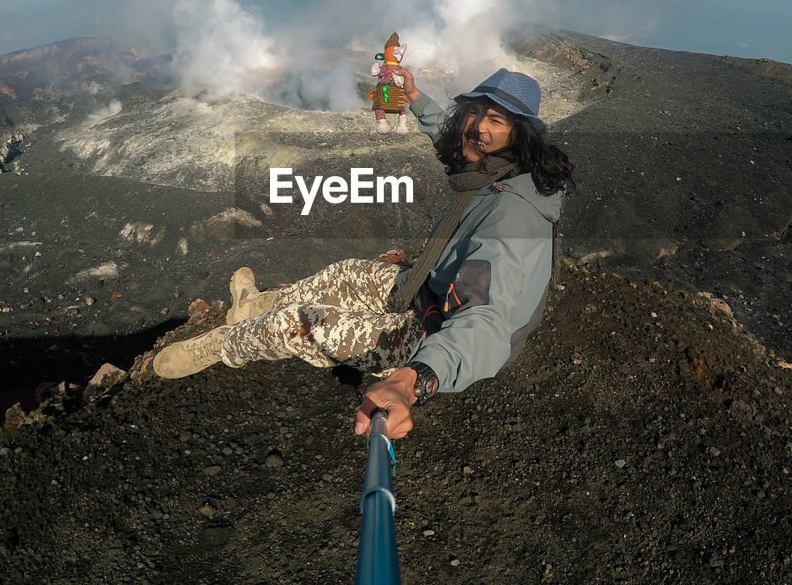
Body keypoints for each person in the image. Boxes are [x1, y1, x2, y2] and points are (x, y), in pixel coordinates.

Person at [152, 66, 574, 439]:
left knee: (300, 323)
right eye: (474, 113)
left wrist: (412, 381)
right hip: (431, 288)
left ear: (520, 134)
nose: (477, 126)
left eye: (495, 119)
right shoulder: (503, 168)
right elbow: (457, 132)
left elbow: (487, 320)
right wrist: (413, 97)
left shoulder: (512, 218)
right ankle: (253, 306)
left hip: (438, 332)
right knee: (347, 273)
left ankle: (225, 345)